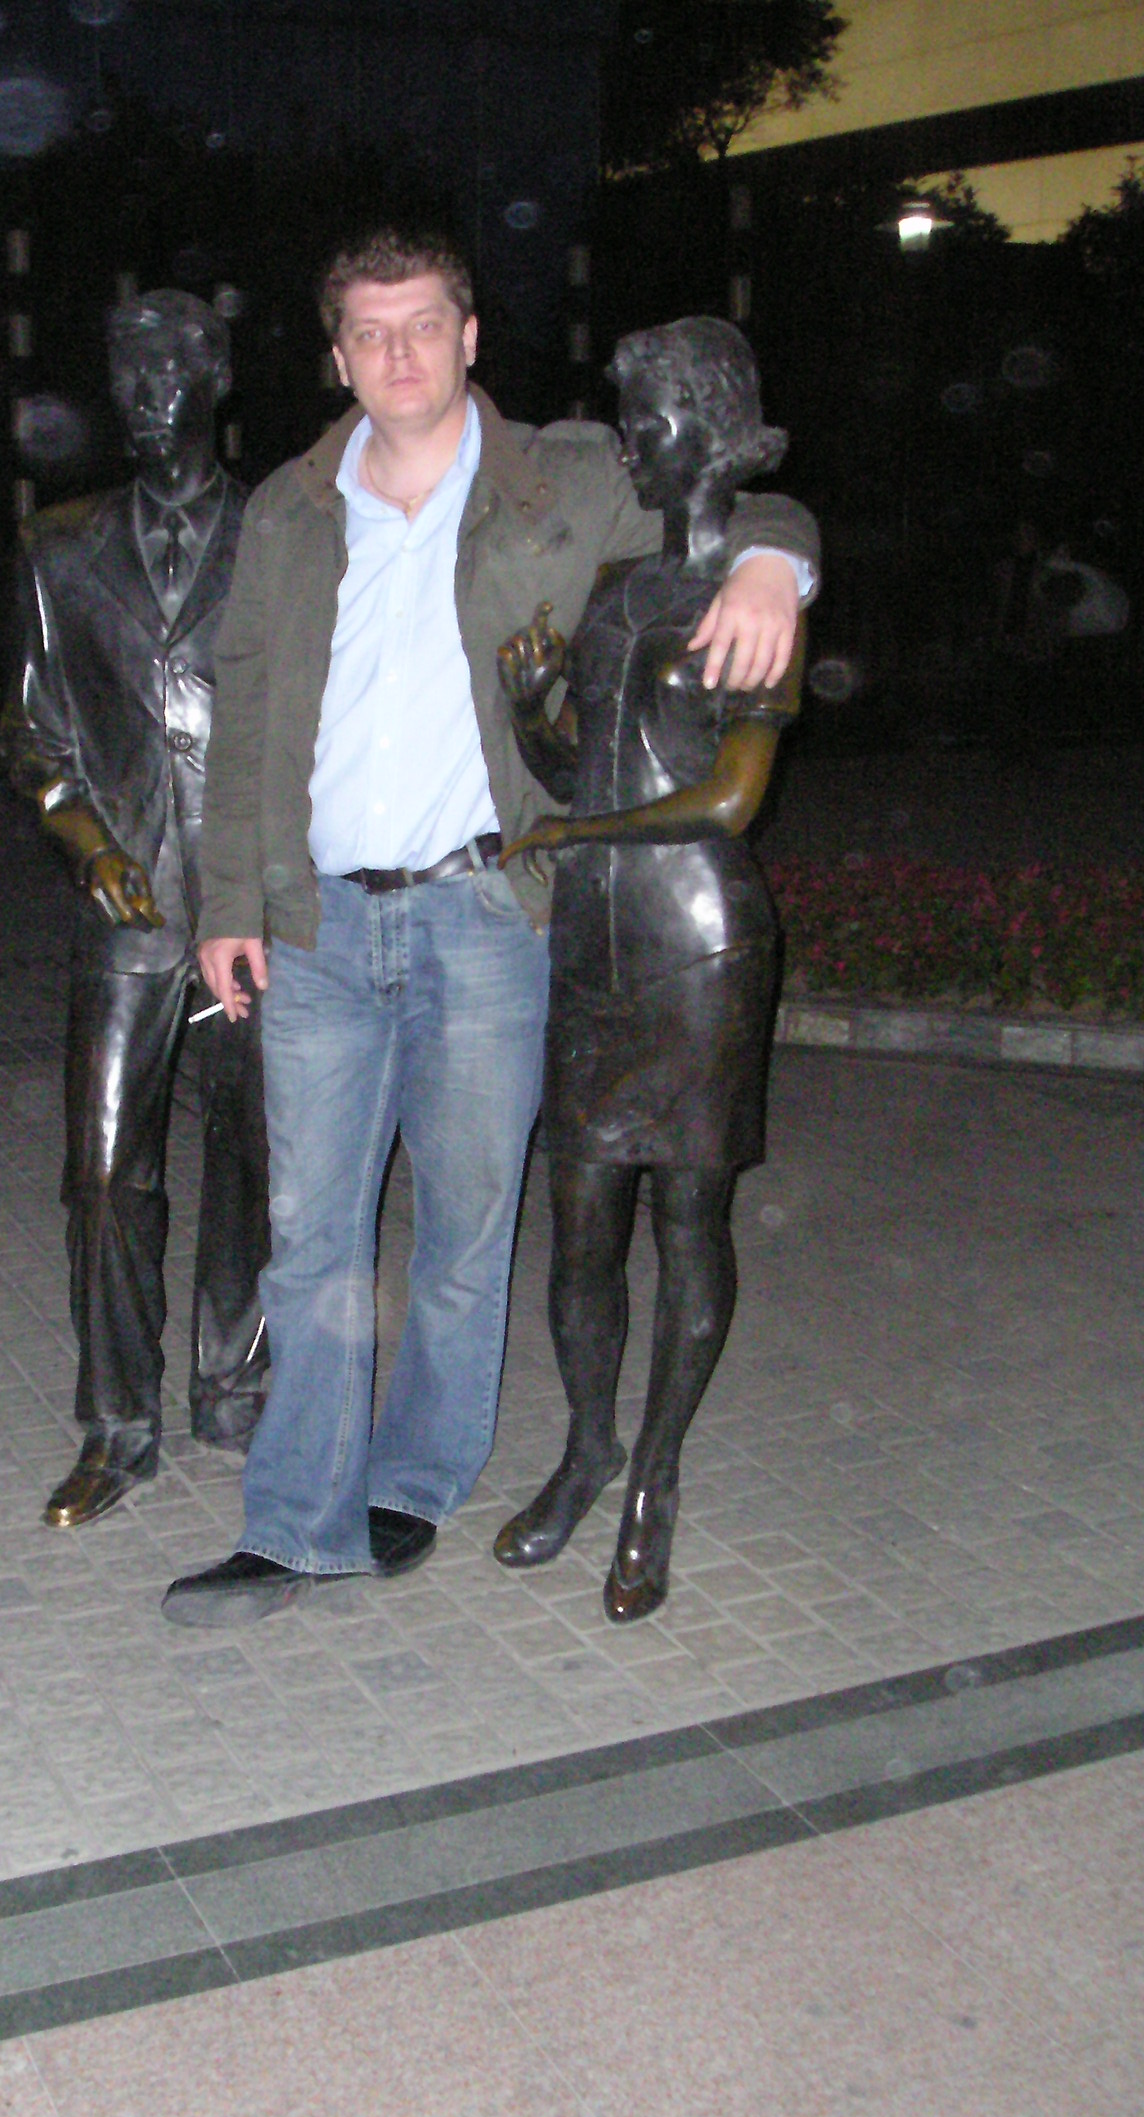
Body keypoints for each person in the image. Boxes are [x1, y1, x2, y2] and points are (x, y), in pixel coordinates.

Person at [161, 226, 816, 1626]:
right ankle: (295, 1524)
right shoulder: (286, 510)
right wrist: (226, 904)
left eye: (423, 325)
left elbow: (732, 494)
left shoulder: (569, 475)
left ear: (468, 337)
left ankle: (415, 1480)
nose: (397, 353)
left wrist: (776, 565)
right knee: (311, 1236)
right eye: (368, 332)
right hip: (319, 919)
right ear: (337, 356)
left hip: (489, 913)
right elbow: (243, 716)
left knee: (467, 1225)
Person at [493, 316, 804, 1621]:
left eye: (648, 418)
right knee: (577, 1231)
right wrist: (533, 717)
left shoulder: (760, 588)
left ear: (713, 425)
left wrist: (576, 836)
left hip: (698, 947)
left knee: (687, 1222)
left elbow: (730, 798)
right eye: (624, 417)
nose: (629, 441)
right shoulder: (620, 584)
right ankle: (588, 1447)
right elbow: (589, 770)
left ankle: (654, 1480)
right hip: (594, 943)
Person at [6, 290, 269, 1530]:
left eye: (168, 367)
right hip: (127, 904)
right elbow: (32, 730)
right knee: (104, 1173)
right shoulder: (58, 544)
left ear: (216, 378)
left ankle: (238, 1385)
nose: (144, 390)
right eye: (125, 369)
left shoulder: (285, 532)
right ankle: (116, 1421)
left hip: (254, 897)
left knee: (252, 1157)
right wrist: (85, 841)